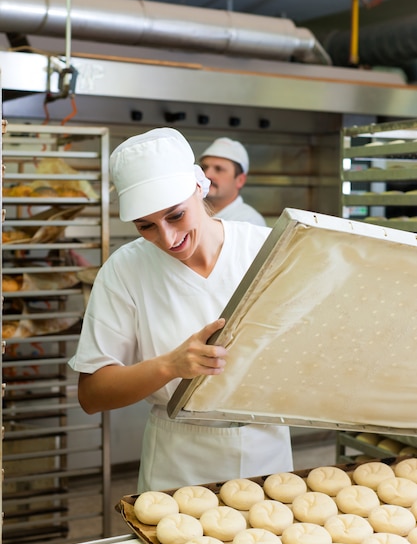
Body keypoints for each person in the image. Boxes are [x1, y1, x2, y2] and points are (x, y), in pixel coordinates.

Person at [69, 127, 292, 493]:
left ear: (199, 187)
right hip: (179, 461)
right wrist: (169, 366)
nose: (168, 239)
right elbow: (92, 395)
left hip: (266, 453)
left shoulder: (266, 248)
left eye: (175, 216)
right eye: (146, 226)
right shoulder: (125, 270)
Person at [199, 137, 266, 226]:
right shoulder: (188, 210)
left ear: (240, 180)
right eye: (204, 168)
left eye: (219, 169)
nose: (207, 175)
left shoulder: (249, 222)